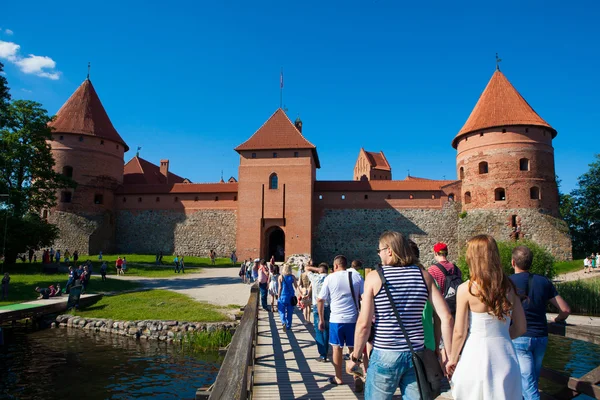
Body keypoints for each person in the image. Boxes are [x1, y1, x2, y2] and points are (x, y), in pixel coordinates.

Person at [347, 232, 454, 399]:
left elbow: (364, 324)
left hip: (385, 353)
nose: (378, 254)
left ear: (389, 250)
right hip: (416, 355)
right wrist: (449, 355)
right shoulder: (423, 275)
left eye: (379, 250)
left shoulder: (375, 278)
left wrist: (355, 357)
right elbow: (446, 317)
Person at [447, 235, 526, 400]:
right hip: (505, 356)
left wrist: (452, 359)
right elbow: (521, 327)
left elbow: (460, 332)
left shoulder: (466, 289)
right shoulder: (510, 287)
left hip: (476, 355)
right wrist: (501, 337)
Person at [510, 246, 571, 400]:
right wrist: (557, 320)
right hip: (541, 337)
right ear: (531, 263)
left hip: (519, 337)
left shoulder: (508, 282)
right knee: (532, 380)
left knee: (528, 386)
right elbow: (565, 310)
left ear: (513, 262)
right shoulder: (543, 281)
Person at [318, 255, 363, 390]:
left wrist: (321, 319)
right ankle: (356, 376)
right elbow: (365, 297)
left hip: (336, 319)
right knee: (353, 349)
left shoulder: (330, 278)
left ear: (336, 266)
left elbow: (320, 299)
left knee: (336, 348)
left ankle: (338, 378)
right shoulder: (356, 277)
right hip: (353, 318)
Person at [305, 262, 330, 362]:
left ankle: (322, 354)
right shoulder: (330, 278)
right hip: (328, 306)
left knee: (318, 330)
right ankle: (326, 351)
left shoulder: (315, 277)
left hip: (316, 306)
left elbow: (306, 268)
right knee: (326, 329)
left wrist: (316, 269)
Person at [277, 263, 299, 331]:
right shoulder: (292, 277)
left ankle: (283, 322)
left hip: (283, 296)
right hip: (291, 296)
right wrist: (300, 293)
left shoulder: (280, 277)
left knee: (281, 311)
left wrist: (278, 296)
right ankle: (288, 326)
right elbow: (296, 286)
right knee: (290, 312)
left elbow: (280, 288)